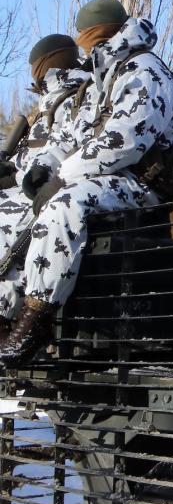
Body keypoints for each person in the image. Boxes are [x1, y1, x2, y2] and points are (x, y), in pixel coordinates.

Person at [0, 0, 173, 364]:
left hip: (142, 184)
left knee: (63, 206)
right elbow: (75, 135)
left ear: (101, 34)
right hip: (107, 179)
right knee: (10, 210)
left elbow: (124, 141)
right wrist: (43, 168)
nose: (82, 45)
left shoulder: (145, 71)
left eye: (86, 37)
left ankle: (35, 322)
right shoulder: (108, 74)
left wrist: (64, 177)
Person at [0, 36, 91, 330]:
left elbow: (59, 154)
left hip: (54, 190)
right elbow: (34, 160)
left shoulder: (76, 96)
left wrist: (23, 176)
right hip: (38, 187)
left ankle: (5, 317)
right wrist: (12, 173)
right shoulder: (48, 102)